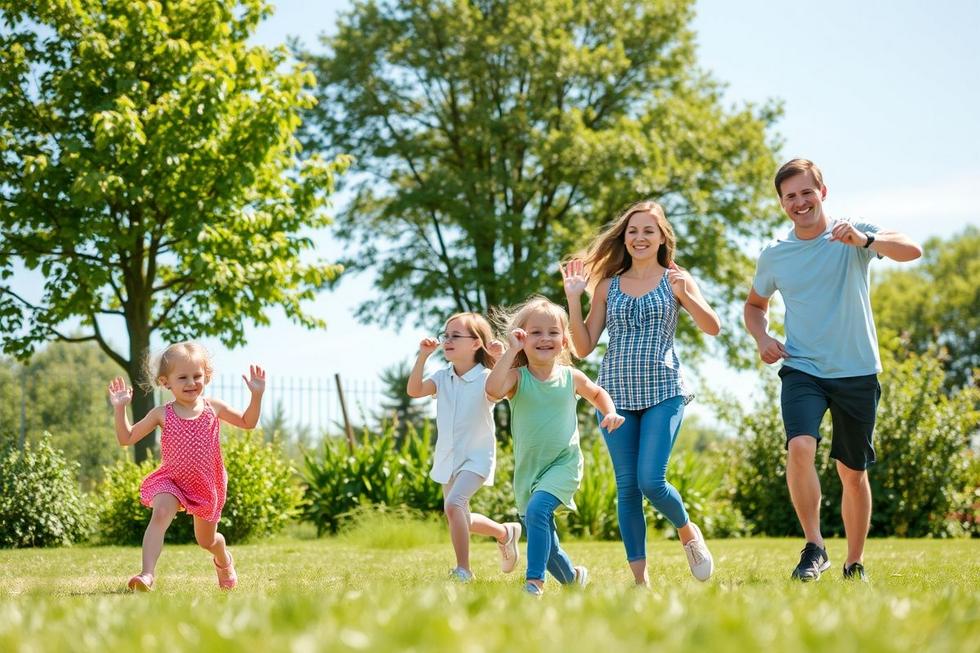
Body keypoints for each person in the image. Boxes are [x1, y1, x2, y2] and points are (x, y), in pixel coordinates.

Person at [743, 158, 922, 582]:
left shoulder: (850, 231)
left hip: (857, 371)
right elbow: (754, 307)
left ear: (822, 192)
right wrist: (763, 338)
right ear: (782, 204)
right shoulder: (775, 254)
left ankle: (853, 562)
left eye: (807, 193)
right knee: (800, 448)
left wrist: (865, 239)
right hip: (803, 367)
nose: (800, 202)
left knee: (852, 472)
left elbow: (912, 249)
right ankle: (814, 546)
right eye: (790, 197)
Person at [560, 200, 720, 586]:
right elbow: (582, 348)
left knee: (651, 479)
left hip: (664, 389)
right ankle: (640, 582)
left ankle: (686, 531)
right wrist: (573, 298)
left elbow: (712, 327)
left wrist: (689, 294)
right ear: (624, 237)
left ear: (662, 236)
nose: (639, 237)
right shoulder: (608, 286)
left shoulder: (676, 278)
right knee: (628, 487)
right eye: (632, 231)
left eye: (648, 230)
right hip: (613, 394)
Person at [485, 296, 625, 596]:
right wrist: (510, 352)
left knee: (538, 510)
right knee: (545, 542)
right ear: (522, 337)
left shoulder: (570, 377)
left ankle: (533, 582)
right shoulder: (516, 378)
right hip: (529, 471)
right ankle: (574, 578)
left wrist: (610, 412)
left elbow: (598, 393)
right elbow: (492, 389)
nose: (545, 338)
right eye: (535, 332)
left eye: (552, 332)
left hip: (564, 464)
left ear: (564, 340)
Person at [107, 341, 266, 592]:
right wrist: (119, 409)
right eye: (182, 377)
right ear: (165, 381)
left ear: (207, 376)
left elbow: (247, 422)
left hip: (206, 484)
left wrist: (256, 396)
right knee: (160, 515)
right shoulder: (162, 413)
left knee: (206, 540)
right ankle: (147, 574)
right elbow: (126, 438)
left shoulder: (214, 407)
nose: (191, 383)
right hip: (171, 481)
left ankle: (223, 558)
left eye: (197, 376)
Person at [407, 312, 521, 582]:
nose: (447, 340)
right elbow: (414, 390)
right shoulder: (442, 376)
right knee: (458, 515)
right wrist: (422, 356)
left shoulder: (487, 377)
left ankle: (464, 570)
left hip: (477, 457)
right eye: (445, 335)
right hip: (448, 457)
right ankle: (505, 533)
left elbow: (502, 388)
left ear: (475, 343)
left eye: (455, 336)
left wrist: (500, 356)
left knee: (454, 505)